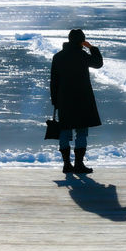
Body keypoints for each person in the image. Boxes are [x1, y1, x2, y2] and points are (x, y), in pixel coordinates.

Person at [50, 29, 103, 174]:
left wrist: (55, 102)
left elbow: (54, 82)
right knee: (81, 132)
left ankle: (67, 165)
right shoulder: (82, 55)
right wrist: (91, 47)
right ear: (81, 41)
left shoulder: (58, 57)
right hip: (82, 99)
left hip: (64, 100)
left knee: (65, 132)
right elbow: (98, 63)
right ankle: (79, 164)